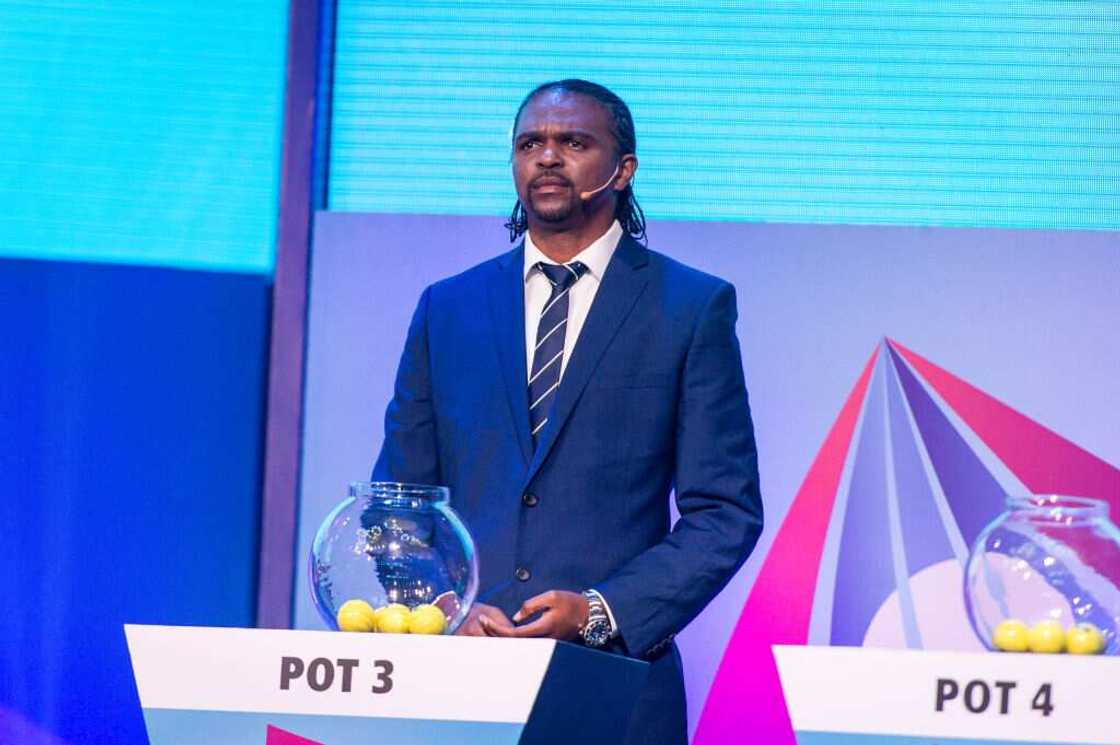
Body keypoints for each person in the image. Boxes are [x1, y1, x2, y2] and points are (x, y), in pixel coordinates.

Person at [373, 79, 762, 745]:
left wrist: (598, 611)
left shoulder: (690, 307)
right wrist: (441, 607)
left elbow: (725, 512)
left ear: (623, 168)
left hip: (614, 690)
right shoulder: (448, 307)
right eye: (531, 144)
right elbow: (399, 499)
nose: (547, 157)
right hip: (458, 684)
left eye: (573, 142)